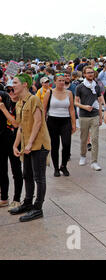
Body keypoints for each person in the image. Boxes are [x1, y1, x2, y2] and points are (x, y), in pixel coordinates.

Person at [10, 73, 51, 223]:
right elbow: (20, 126)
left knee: (39, 177)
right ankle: (27, 203)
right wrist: (16, 145)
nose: (12, 85)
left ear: (25, 84)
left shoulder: (33, 99)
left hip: (39, 144)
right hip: (27, 145)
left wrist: (29, 143)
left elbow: (38, 122)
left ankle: (37, 208)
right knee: (26, 174)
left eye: (15, 83)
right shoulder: (20, 102)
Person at [43, 73, 76, 177]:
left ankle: (64, 165)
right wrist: (43, 123)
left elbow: (72, 109)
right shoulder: (50, 92)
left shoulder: (69, 93)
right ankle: (56, 168)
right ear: (55, 82)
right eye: (59, 80)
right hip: (52, 120)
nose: (62, 82)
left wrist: (74, 123)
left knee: (66, 144)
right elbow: (44, 108)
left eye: (63, 81)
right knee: (55, 145)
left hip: (65, 121)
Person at [75, 66, 103, 171]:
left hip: (94, 115)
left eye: (92, 72)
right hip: (83, 116)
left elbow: (99, 102)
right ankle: (83, 155)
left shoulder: (97, 87)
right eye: (88, 73)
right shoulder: (80, 87)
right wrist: (84, 107)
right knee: (84, 138)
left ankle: (94, 161)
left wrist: (101, 117)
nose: (90, 74)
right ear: (84, 74)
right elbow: (76, 102)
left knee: (95, 139)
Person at [0, 80, 22, 210]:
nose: (11, 93)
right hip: (3, 139)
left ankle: (17, 199)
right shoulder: (5, 102)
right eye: (8, 90)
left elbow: (15, 124)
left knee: (16, 170)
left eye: (13, 89)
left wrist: (2, 109)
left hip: (16, 140)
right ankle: (4, 197)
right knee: (2, 169)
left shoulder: (21, 104)